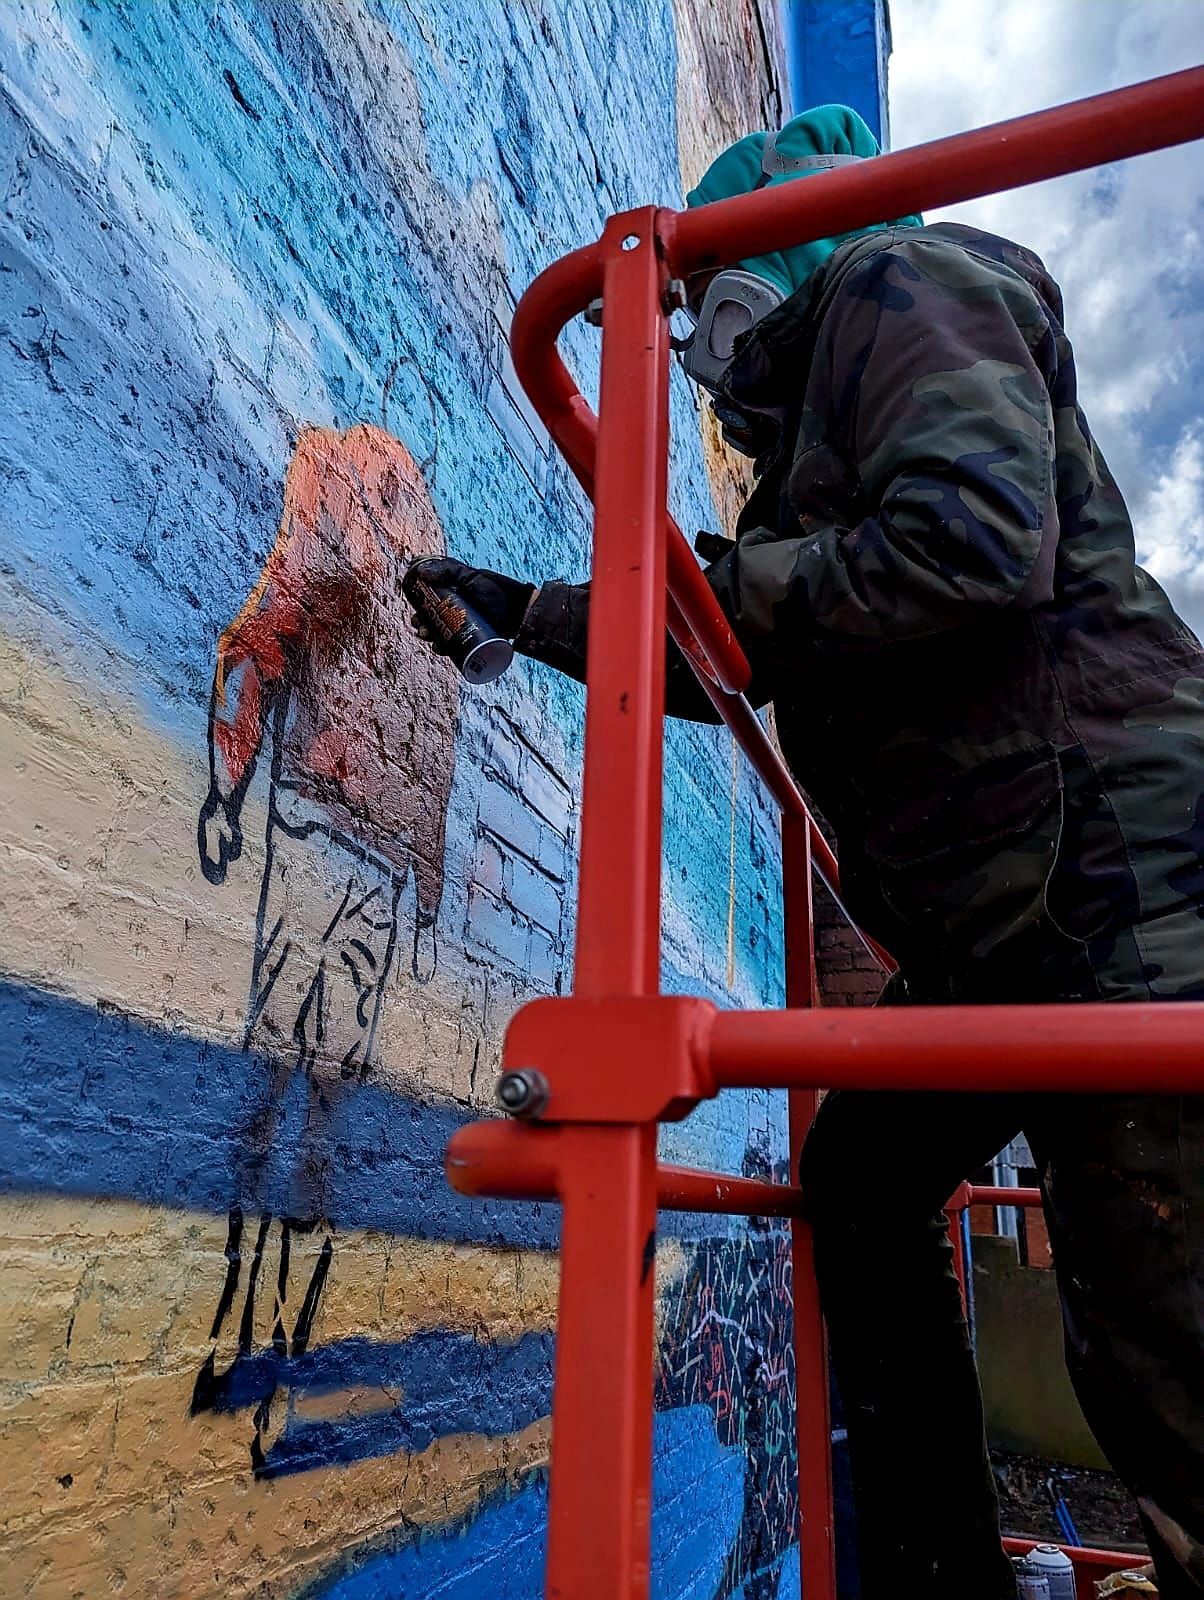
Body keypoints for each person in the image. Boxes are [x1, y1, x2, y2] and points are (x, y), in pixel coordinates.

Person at [409, 106, 1204, 1598]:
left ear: (763, 253)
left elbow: (968, 540)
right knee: (862, 1182)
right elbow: (740, 627)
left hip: (1122, 889)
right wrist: (525, 609)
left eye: (706, 292)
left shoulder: (899, 282)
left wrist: (726, 597)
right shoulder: (818, 438)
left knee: (1162, 1336)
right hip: (1012, 923)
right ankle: (936, 1576)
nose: (703, 346)